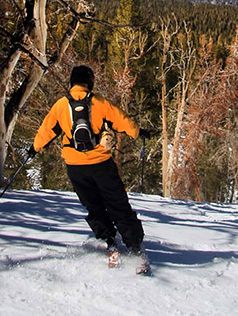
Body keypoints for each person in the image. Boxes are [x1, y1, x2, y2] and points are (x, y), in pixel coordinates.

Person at [29, 64, 151, 269]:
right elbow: (121, 120)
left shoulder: (60, 105)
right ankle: (135, 249)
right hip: (101, 163)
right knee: (117, 204)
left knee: (94, 206)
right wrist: (138, 133)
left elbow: (46, 131)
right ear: (90, 82)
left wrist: (34, 148)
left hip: (75, 166)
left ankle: (111, 243)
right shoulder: (99, 102)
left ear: (72, 83)